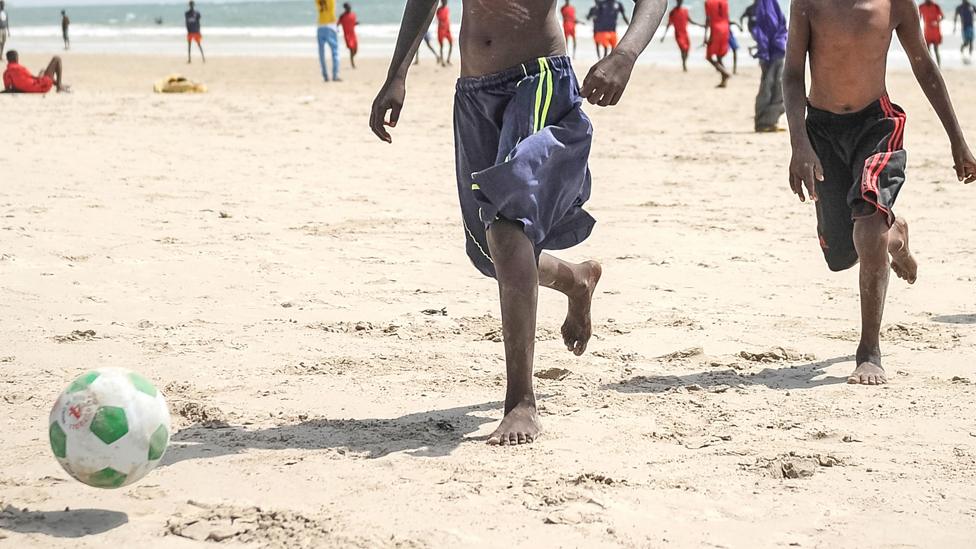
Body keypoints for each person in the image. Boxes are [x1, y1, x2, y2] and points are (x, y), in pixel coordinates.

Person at [370, 0, 667, 445]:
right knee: (495, 250)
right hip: (473, 92)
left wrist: (624, 55)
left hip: (537, 80)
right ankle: (576, 280)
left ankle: (521, 402)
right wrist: (397, 73)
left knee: (507, 231)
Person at [783, 0, 976, 385]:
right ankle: (896, 235)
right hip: (822, 129)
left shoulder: (896, 3)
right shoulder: (807, 2)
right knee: (841, 254)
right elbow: (791, 74)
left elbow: (924, 65)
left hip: (877, 126)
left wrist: (957, 140)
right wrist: (799, 144)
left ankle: (869, 351)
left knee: (867, 228)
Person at [752, 0, 787, 131]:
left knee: (773, 86)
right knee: (772, 87)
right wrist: (764, 51)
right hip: (773, 51)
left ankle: (768, 121)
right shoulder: (765, 4)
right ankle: (764, 122)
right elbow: (764, 29)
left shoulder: (768, 3)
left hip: (775, 49)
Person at [659, 0, 703, 72]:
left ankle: (684, 62)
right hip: (678, 34)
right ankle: (684, 64)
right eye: (679, 1)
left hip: (685, 33)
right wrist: (663, 36)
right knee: (683, 49)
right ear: (677, 1)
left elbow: (690, 21)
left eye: (681, 1)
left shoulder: (685, 11)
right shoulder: (672, 12)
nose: (680, 2)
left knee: (687, 49)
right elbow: (668, 25)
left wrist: (700, 25)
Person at [704, 0, 731, 87]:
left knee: (709, 56)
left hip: (716, 29)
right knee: (719, 57)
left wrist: (705, 35)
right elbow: (728, 16)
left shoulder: (708, 2)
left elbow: (708, 19)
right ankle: (724, 82)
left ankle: (725, 73)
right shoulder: (725, 2)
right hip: (725, 28)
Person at [316, 0, 339, 81]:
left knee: (321, 53)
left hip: (320, 26)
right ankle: (335, 75)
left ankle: (325, 76)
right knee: (335, 52)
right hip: (331, 25)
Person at [919, 0, 944, 65]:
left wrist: (937, 22)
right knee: (927, 51)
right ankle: (930, 66)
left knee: (936, 50)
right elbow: (918, 18)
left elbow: (943, 16)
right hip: (927, 32)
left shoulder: (936, 6)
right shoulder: (921, 6)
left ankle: (939, 66)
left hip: (936, 32)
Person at [338, 3, 358, 69]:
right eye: (348, 7)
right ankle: (353, 64)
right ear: (345, 8)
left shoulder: (353, 15)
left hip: (353, 35)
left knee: (355, 50)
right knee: (351, 50)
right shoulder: (342, 16)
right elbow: (337, 24)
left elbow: (353, 23)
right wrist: (336, 30)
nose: (349, 8)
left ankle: (352, 60)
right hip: (347, 36)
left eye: (350, 7)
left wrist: (356, 23)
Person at [436, 0, 453, 65]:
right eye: (444, 1)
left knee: (451, 43)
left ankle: (448, 59)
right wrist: (442, 24)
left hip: (447, 29)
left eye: (446, 1)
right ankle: (442, 61)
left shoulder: (447, 9)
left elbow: (447, 18)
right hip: (441, 29)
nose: (445, 2)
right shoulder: (439, 10)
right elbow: (439, 19)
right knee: (441, 45)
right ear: (442, 2)